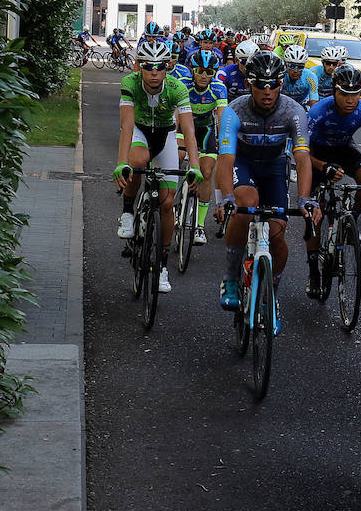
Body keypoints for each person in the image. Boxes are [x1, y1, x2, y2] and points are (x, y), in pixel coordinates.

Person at [213, 51, 318, 324]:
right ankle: (232, 277)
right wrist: (225, 197)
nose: (267, 90)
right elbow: (225, 159)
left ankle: (271, 292)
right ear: (249, 84)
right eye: (260, 84)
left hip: (273, 166)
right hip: (243, 163)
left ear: (282, 84)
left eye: (273, 83)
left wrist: (305, 198)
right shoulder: (234, 110)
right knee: (246, 202)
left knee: (277, 235)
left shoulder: (294, 112)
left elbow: (302, 158)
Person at [113, 39, 204, 294]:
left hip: (165, 136)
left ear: (168, 67)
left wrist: (195, 166)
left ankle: (162, 266)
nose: (155, 72)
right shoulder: (129, 84)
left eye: (160, 66)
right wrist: (122, 164)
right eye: (149, 66)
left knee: (166, 204)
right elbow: (127, 127)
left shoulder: (176, 88)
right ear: (139, 66)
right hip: (140, 132)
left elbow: (188, 130)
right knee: (138, 161)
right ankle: (129, 212)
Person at [303, 64, 361, 298]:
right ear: (334, 92)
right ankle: (314, 269)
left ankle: (351, 220)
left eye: (355, 93)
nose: (350, 99)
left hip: (344, 150)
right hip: (317, 153)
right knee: (316, 209)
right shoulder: (319, 112)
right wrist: (323, 167)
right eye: (344, 94)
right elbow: (299, 150)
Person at [177, 48, 228, 245]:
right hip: (183, 126)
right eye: (200, 70)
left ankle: (199, 225)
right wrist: (172, 135)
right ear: (192, 70)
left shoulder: (218, 88)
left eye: (209, 71)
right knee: (178, 158)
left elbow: (222, 118)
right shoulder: (183, 85)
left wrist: (224, 142)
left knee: (207, 172)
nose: (204, 75)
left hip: (205, 129)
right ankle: (172, 199)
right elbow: (175, 116)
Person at [281, 44, 320, 109]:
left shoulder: (310, 77)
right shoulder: (280, 75)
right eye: (292, 66)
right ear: (286, 64)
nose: (295, 70)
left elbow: (313, 101)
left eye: (300, 67)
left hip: (302, 105)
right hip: (283, 105)